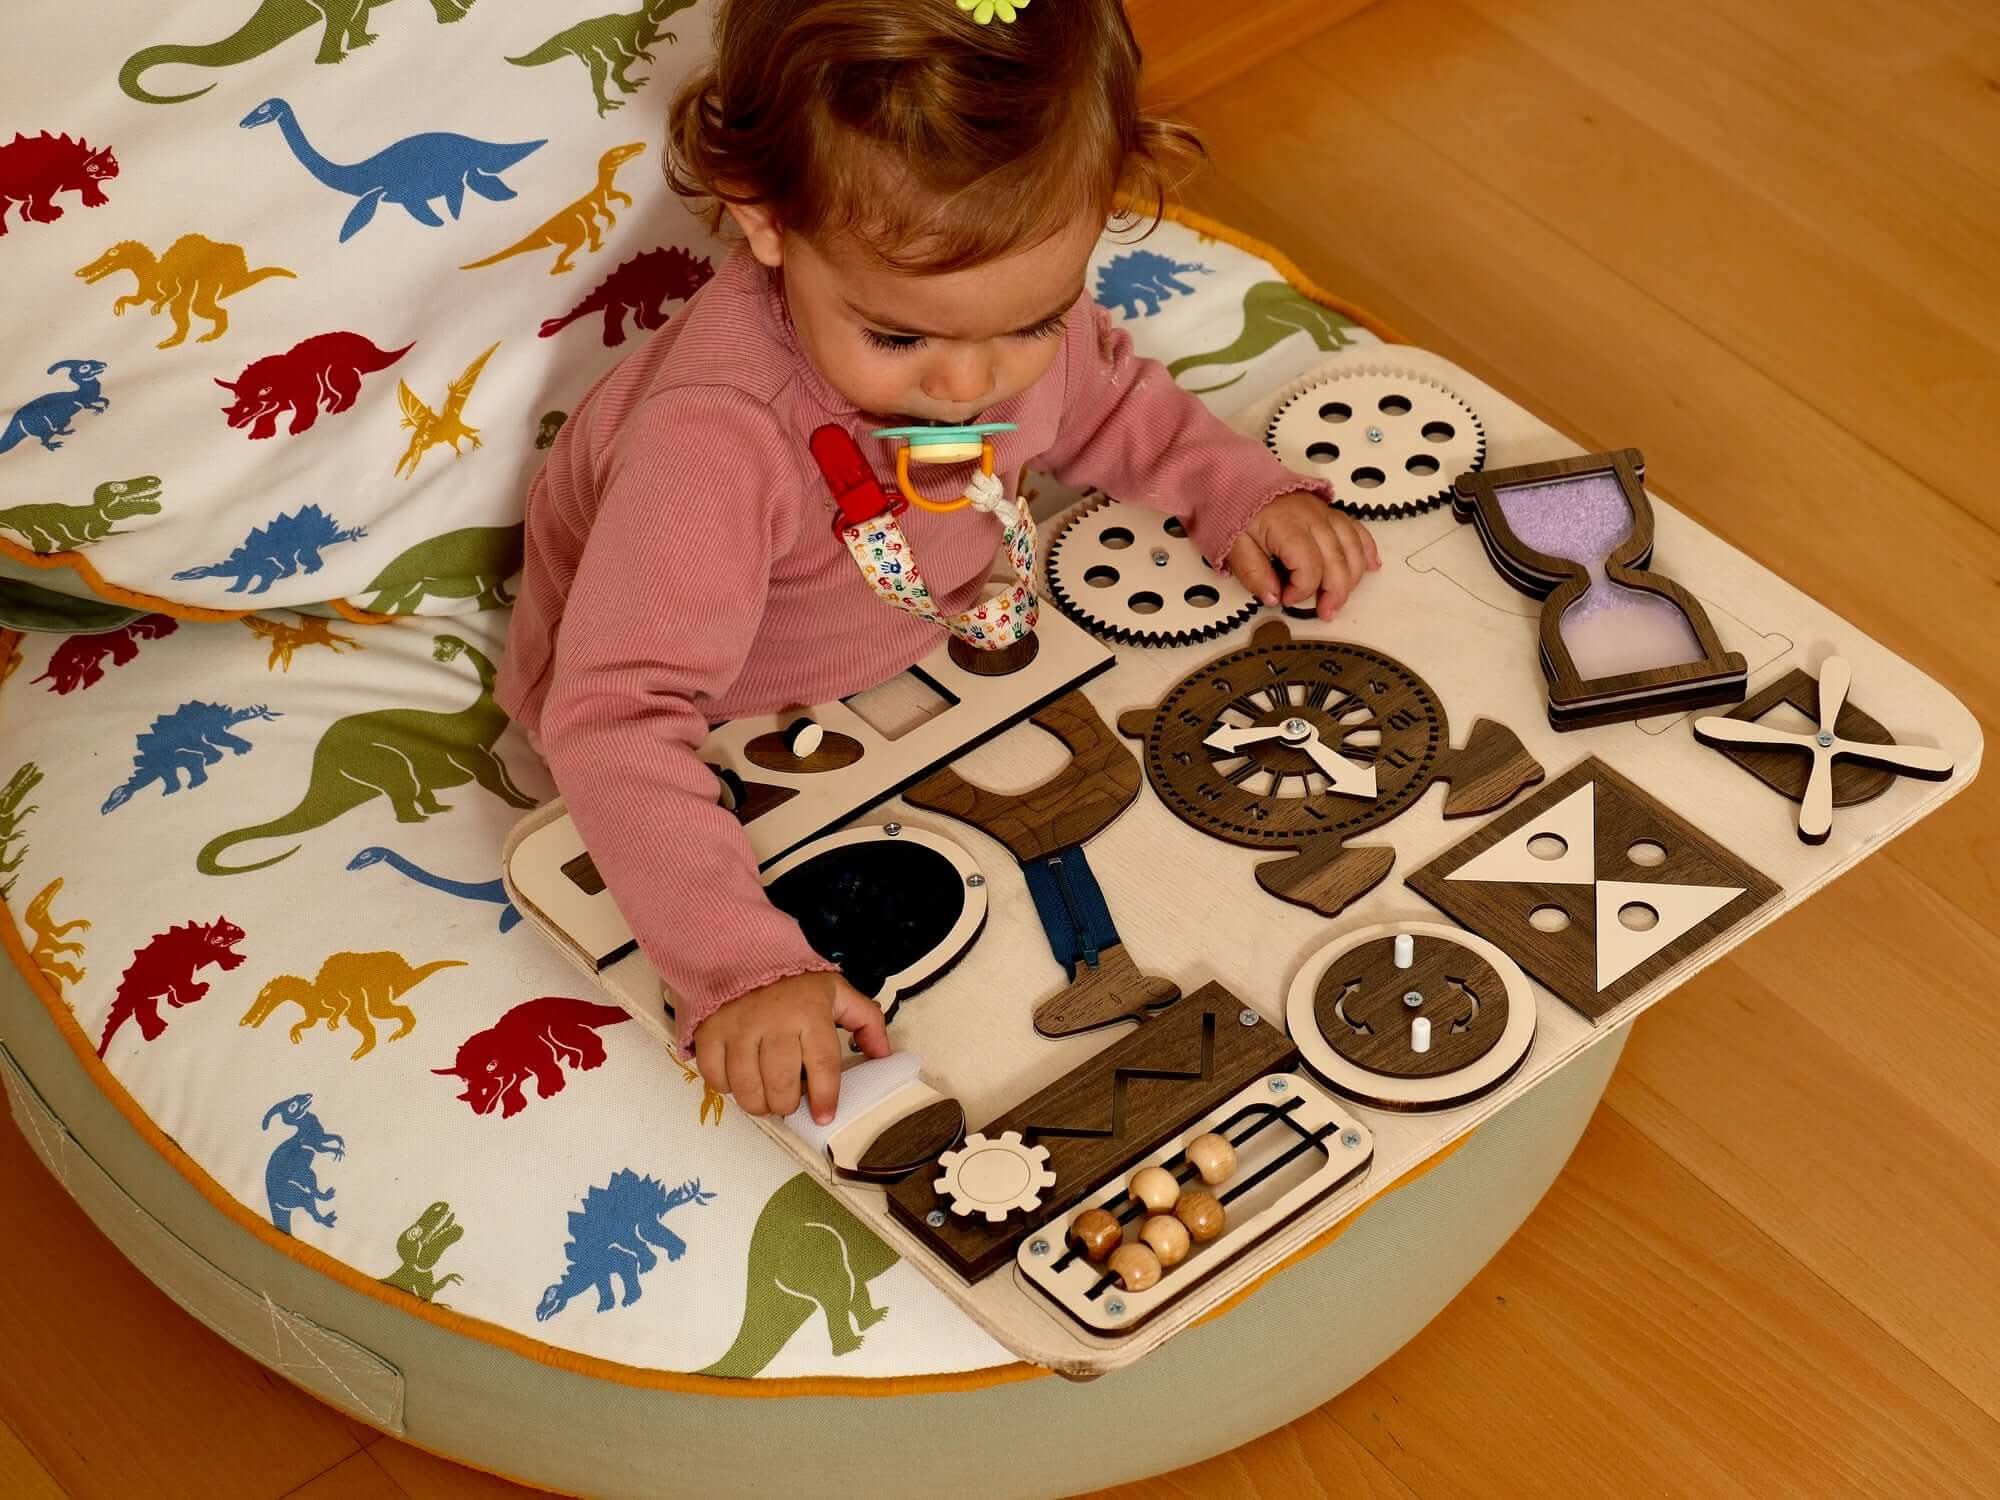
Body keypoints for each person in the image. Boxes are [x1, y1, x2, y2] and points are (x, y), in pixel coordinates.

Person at [496, 0, 1379, 1127]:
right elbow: (613, 716)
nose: (972, 388)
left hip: (914, 679)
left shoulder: (997, 295)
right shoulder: (709, 444)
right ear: (764, 222)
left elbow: (1102, 388)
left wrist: (1233, 486)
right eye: (901, 339)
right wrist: (740, 969)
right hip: (685, 740)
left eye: (1029, 322)